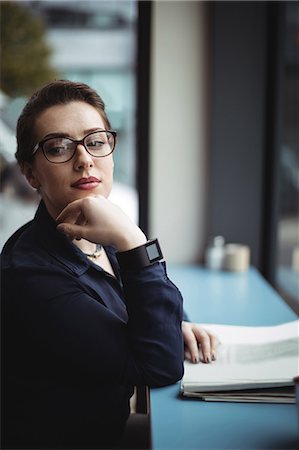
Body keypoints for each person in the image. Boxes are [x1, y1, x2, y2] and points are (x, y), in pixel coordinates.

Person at [1, 80, 218, 449]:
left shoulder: (96, 228)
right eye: (58, 148)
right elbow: (160, 367)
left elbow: (153, 306)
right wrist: (133, 240)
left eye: (96, 142)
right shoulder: (30, 277)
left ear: (111, 154)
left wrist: (177, 323)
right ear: (30, 173)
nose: (84, 158)